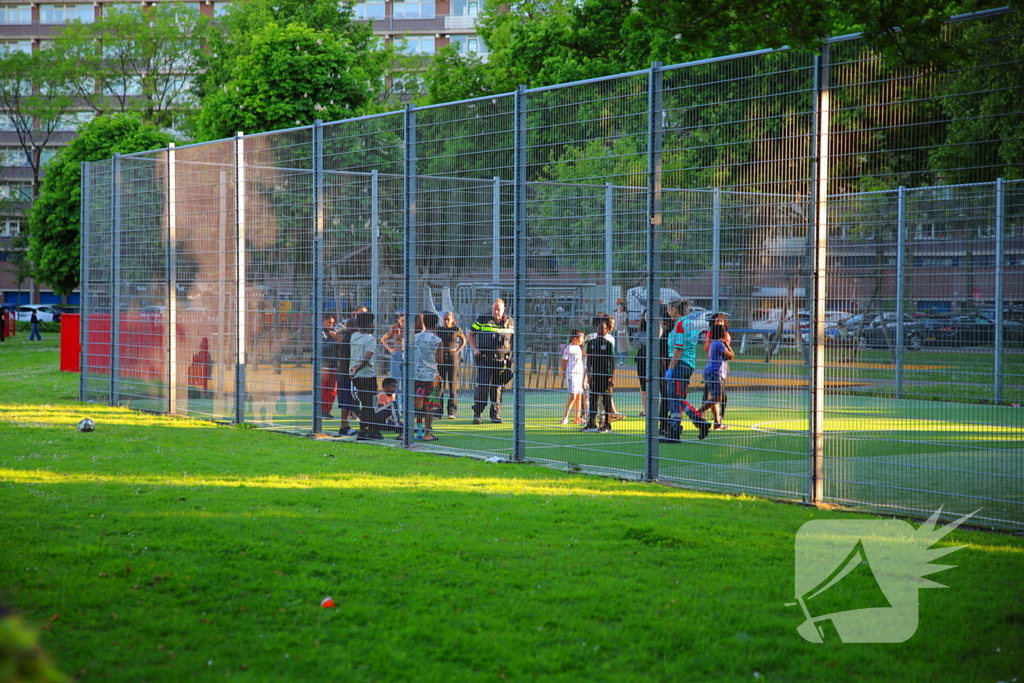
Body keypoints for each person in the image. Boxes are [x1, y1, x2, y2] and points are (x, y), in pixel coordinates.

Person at [467, 298, 514, 424]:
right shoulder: (483, 319)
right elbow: (470, 333)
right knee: (483, 387)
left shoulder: (510, 321)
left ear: (504, 309)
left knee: (497, 388)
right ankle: (478, 413)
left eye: (498, 309)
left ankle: (495, 415)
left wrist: (513, 354)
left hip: (502, 361)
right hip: (485, 359)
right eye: (494, 309)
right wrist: (475, 349)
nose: (496, 311)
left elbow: (514, 339)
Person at [664, 300, 698, 439]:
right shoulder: (690, 324)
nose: (667, 312)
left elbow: (679, 347)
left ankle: (678, 428)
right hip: (689, 364)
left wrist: (671, 367)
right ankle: (679, 426)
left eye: (668, 309)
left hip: (680, 364)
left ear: (674, 310)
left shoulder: (680, 325)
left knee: (674, 398)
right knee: (678, 397)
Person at [412, 311, 444, 441]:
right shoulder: (438, 340)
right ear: (436, 324)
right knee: (430, 405)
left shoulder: (415, 337)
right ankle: (428, 432)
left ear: (423, 322)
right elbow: (440, 361)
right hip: (432, 375)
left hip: (417, 374)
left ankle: (419, 431)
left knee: (419, 404)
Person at [349, 311, 381, 440]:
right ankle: (371, 430)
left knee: (364, 403)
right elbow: (367, 357)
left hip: (356, 376)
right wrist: (358, 368)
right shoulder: (370, 339)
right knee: (369, 404)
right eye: (372, 322)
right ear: (369, 324)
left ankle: (363, 430)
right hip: (367, 375)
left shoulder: (354, 336)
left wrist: (354, 369)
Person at [581, 315, 616, 434]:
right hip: (594, 375)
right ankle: (591, 423)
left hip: (605, 375)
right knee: (593, 399)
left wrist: (612, 377)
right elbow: (589, 360)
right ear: (596, 329)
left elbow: (612, 361)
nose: (602, 330)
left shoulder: (608, 344)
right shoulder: (591, 343)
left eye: (604, 328)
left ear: (607, 330)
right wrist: (589, 375)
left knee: (606, 400)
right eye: (600, 328)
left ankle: (606, 424)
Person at [698, 323, 733, 431]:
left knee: (714, 398)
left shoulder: (713, 343)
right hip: (715, 373)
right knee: (717, 398)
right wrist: (727, 344)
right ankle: (698, 412)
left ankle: (717, 423)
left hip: (710, 371)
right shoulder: (720, 344)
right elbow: (731, 355)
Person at [437, 311, 467, 419]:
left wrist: (458, 351)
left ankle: (452, 412)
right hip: (441, 357)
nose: (445, 321)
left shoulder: (456, 329)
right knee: (440, 384)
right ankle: (438, 412)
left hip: (453, 357)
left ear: (453, 320)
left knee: (452, 385)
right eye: (444, 319)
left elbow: (464, 340)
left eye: (447, 319)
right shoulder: (439, 329)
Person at [704, 312, 732, 421]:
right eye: (717, 321)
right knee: (713, 395)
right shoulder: (716, 339)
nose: (719, 323)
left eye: (721, 321)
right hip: (715, 369)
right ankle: (700, 413)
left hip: (720, 367)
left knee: (719, 394)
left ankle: (719, 417)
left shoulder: (725, 335)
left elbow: (728, 355)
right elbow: (731, 354)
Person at [559, 329, 586, 426]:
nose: (583, 340)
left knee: (578, 396)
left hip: (579, 374)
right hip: (572, 375)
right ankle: (565, 417)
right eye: (581, 338)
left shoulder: (579, 348)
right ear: (575, 339)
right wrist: (564, 371)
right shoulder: (569, 348)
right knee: (573, 396)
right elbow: (564, 361)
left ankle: (577, 417)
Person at [380, 311, 406, 410]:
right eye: (402, 320)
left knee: (405, 383)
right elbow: (383, 339)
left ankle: (404, 409)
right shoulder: (395, 329)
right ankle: (394, 407)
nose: (404, 322)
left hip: (406, 356)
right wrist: (391, 350)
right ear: (398, 320)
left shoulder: (410, 329)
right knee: (394, 382)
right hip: (397, 355)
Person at [319, 313, 340, 419]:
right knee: (323, 388)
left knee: (332, 390)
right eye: (329, 322)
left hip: (334, 364)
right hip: (324, 365)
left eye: (332, 323)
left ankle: (328, 410)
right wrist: (334, 341)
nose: (331, 325)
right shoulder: (321, 332)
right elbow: (322, 347)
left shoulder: (334, 332)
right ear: (324, 322)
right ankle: (322, 409)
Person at [614, 302, 631, 367]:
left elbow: (621, 321)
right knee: (615, 346)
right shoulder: (616, 314)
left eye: (621, 307)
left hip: (622, 333)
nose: (619, 308)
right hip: (616, 331)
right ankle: (615, 360)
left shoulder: (624, 314)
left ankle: (622, 361)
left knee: (622, 347)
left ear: (623, 308)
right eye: (618, 307)